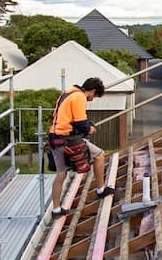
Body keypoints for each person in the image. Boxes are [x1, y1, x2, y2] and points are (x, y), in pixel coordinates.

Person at [48, 76, 115, 216]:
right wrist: (89, 128)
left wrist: (86, 124)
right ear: (92, 91)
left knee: (61, 173)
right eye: (94, 96)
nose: (92, 99)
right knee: (99, 154)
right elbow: (80, 122)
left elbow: (71, 118)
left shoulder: (69, 92)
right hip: (68, 138)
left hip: (55, 137)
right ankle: (101, 189)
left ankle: (56, 210)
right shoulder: (79, 97)